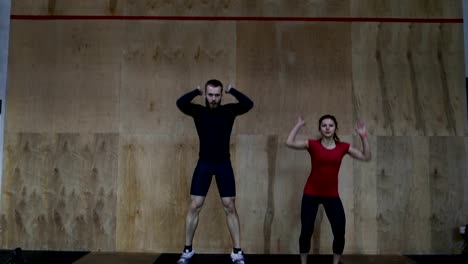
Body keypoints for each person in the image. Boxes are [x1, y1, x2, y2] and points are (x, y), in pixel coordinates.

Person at [176, 79, 253, 264]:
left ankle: (237, 252)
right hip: (204, 163)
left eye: (217, 95)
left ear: (221, 95)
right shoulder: (198, 111)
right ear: (206, 94)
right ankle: (187, 250)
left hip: (223, 164)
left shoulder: (229, 111)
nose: (213, 99)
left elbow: (248, 104)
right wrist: (195, 92)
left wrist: (232, 90)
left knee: (230, 206)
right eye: (210, 95)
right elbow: (181, 103)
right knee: (195, 205)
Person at [286, 114, 371, 264]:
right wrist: (298, 125)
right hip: (311, 193)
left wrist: (363, 136)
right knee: (306, 231)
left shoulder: (343, 147)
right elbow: (289, 142)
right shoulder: (312, 144)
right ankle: (303, 262)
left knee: (339, 232)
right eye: (324, 125)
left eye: (330, 125)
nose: (327, 128)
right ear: (320, 129)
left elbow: (366, 157)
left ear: (335, 128)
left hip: (331, 195)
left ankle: (335, 262)